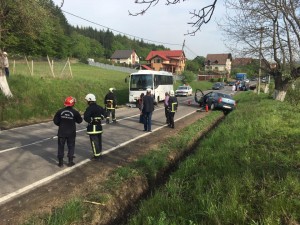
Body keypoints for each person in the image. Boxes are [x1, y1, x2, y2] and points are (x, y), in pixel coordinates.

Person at [53, 96, 83, 167]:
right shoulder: (75, 112)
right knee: (71, 146)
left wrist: (61, 124)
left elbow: (55, 121)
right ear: (73, 104)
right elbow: (80, 121)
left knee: (60, 147)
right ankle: (70, 162)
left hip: (61, 132)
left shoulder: (60, 111)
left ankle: (60, 163)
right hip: (71, 133)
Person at [84, 93, 107, 161]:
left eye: (87, 100)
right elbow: (105, 114)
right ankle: (99, 154)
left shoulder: (89, 108)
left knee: (94, 142)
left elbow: (86, 117)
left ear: (89, 100)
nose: (86, 102)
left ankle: (96, 157)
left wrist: (91, 120)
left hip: (93, 128)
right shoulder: (99, 107)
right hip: (99, 127)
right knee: (99, 141)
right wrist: (100, 118)